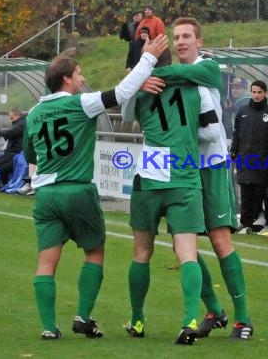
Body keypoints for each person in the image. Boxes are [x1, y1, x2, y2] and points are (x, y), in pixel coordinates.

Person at [23, 34, 168, 340]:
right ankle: (83, 315)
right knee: (95, 250)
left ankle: (49, 327)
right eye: (78, 74)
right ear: (66, 79)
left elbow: (31, 156)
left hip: (46, 194)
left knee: (46, 263)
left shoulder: (34, 113)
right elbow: (122, 92)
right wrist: (149, 58)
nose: (83, 78)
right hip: (77, 190)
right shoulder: (81, 104)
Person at [135, 17, 253, 341]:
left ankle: (244, 319)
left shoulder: (207, 69)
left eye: (187, 36)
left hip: (210, 166)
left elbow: (213, 131)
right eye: (176, 37)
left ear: (199, 41)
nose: (181, 41)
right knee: (182, 244)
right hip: (182, 170)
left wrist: (150, 73)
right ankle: (214, 310)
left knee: (219, 241)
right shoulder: (178, 79)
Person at [121, 17, 222, 345]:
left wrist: (144, 78)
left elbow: (124, 114)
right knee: (187, 253)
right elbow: (210, 130)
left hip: (150, 174)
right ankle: (190, 318)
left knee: (141, 252)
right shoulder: (196, 84)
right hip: (184, 172)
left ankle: (137, 319)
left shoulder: (141, 87)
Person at [231, 80, 268, 234]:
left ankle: (267, 223)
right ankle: (246, 224)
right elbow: (236, 134)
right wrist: (234, 151)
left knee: (264, 192)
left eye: (260, 92)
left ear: (265, 93)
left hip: (264, 160)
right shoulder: (242, 111)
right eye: (254, 92)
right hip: (245, 159)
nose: (257, 95)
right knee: (246, 192)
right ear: (251, 93)